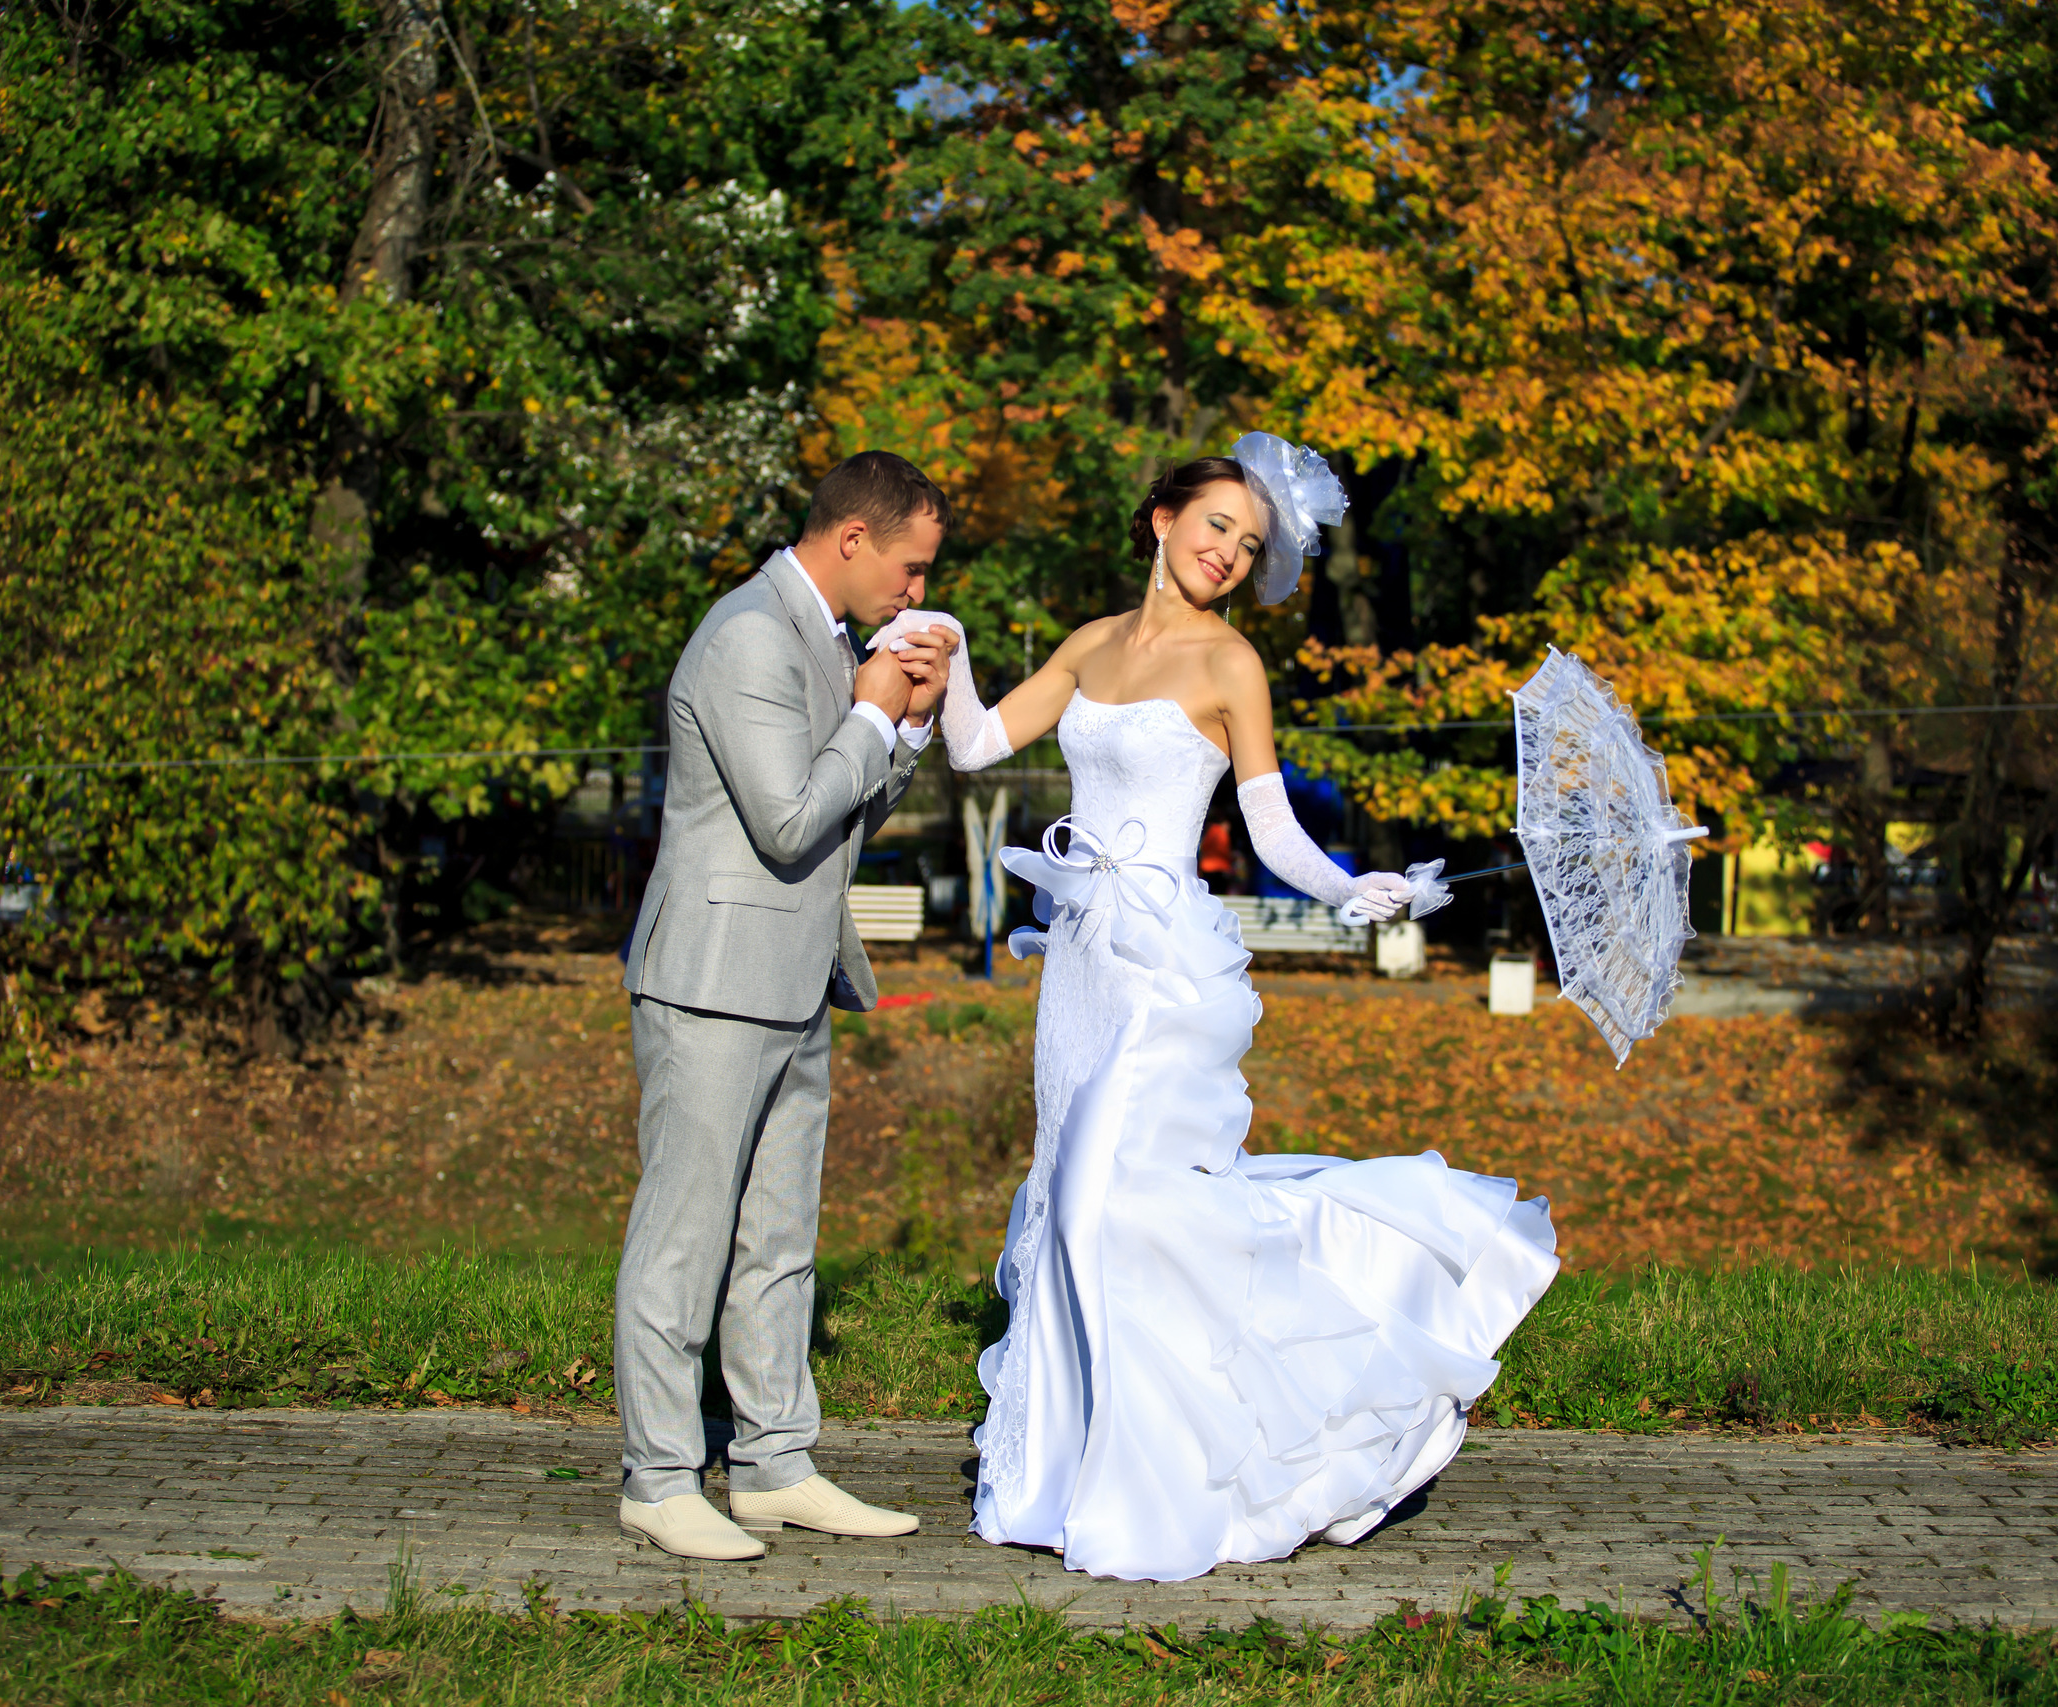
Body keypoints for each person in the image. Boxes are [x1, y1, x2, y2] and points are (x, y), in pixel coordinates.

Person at [867, 433, 1560, 1583]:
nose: (1229, 553)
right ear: (1160, 520)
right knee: (1071, 1195)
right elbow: (980, 746)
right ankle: (1066, 1468)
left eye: (1249, 543)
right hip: (1081, 964)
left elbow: (1270, 824)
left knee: (1107, 1203)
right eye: (1215, 527)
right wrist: (955, 650)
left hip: (1163, 971)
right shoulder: (1090, 645)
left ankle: (1170, 1478)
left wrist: (1350, 886)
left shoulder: (1232, 663)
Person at [614, 451, 960, 1561]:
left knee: (777, 1240)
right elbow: (788, 821)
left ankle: (772, 1464)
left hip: (798, 974)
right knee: (686, 1234)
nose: (915, 594)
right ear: (853, 541)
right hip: (712, 979)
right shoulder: (751, 634)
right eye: (910, 571)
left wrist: (905, 723)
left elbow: (848, 818)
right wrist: (869, 712)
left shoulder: (823, 638)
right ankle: (660, 1477)